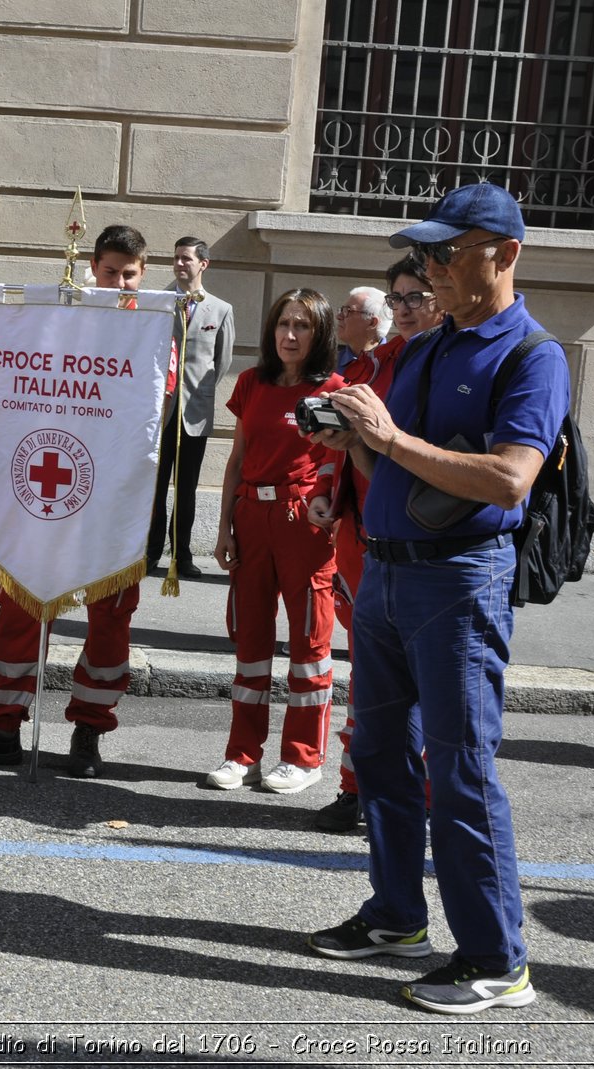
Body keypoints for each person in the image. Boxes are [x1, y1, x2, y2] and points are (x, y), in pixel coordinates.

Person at [307, 182, 567, 1015]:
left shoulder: (533, 354)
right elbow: (397, 469)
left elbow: (509, 477)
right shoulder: (426, 347)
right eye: (426, 254)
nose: (432, 267)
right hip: (386, 570)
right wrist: (353, 441)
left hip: (461, 577)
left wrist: (387, 437)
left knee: (458, 769)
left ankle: (497, 958)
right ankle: (396, 915)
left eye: (448, 252)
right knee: (379, 753)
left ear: (505, 253)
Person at [0, 224, 159, 777]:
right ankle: (2, 728)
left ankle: (89, 729)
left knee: (111, 622)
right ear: (93, 267)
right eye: (111, 272)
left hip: (114, 502)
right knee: (20, 606)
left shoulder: (158, 329)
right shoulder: (60, 318)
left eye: (130, 274)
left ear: (143, 273)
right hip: (44, 490)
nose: (120, 282)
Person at [315, 254, 442, 833]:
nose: (407, 309)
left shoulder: (461, 363)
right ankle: (358, 788)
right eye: (398, 298)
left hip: (436, 553)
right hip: (366, 545)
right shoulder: (374, 366)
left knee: (439, 695)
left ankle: (434, 804)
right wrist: (331, 491)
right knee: (369, 681)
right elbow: (356, 453)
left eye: (417, 296)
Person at [202, 288, 343, 795]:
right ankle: (242, 755)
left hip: (301, 521)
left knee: (308, 642)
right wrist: (222, 527)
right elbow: (236, 458)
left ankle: (303, 759)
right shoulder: (252, 383)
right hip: (251, 516)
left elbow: (339, 461)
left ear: (319, 332)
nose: (289, 334)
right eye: (284, 323)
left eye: (302, 326)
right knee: (251, 642)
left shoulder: (331, 389)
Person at [148, 236, 234, 577]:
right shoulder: (159, 304)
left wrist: (198, 393)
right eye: (176, 258)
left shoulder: (220, 309)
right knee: (154, 486)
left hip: (194, 413)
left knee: (186, 488)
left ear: (203, 264)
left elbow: (222, 361)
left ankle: (181, 554)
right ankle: (150, 551)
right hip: (159, 411)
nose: (180, 264)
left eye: (186, 259)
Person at [335, 286, 390, 372]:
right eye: (342, 310)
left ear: (372, 323)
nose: (338, 316)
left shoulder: (396, 365)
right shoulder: (327, 365)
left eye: (348, 311)